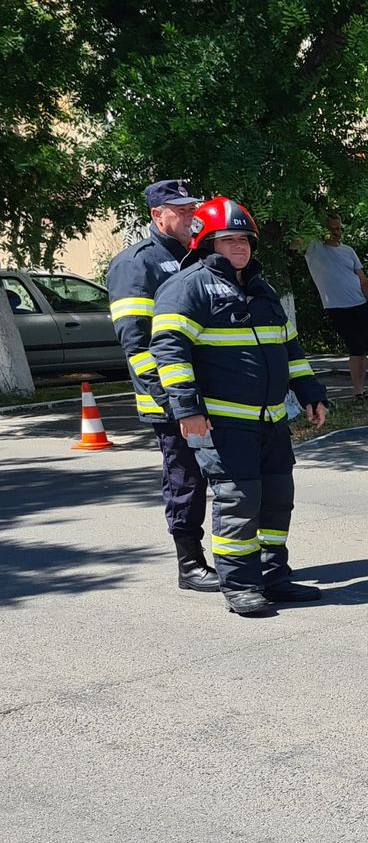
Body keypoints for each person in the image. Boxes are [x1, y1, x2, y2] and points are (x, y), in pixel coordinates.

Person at [150, 196, 330, 615]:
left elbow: (289, 348)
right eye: (228, 240)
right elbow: (170, 351)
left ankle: (273, 576)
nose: (240, 247)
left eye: (245, 239)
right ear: (205, 244)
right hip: (223, 423)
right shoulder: (186, 287)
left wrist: (311, 392)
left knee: (276, 500)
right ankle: (240, 585)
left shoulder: (260, 289)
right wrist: (187, 409)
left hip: (271, 421)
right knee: (239, 502)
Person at [107, 178, 216, 592]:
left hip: (209, 391)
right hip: (172, 398)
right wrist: (173, 400)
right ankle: (190, 564)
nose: (192, 216)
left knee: (223, 477)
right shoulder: (138, 263)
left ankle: (233, 556)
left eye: (193, 208)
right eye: (182, 210)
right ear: (158, 215)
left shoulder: (198, 254)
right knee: (186, 480)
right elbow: (136, 343)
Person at [303, 212, 368, 404]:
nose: (337, 232)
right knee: (355, 347)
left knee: (363, 349)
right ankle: (357, 391)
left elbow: (364, 281)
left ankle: (362, 389)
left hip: (360, 304)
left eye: (339, 228)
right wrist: (312, 232)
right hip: (338, 307)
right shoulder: (314, 248)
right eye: (332, 229)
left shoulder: (348, 251)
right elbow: (294, 242)